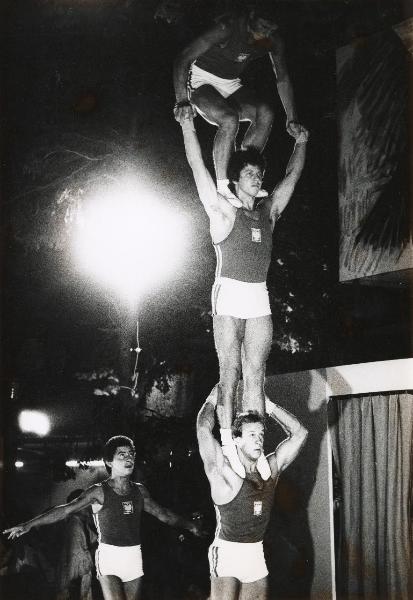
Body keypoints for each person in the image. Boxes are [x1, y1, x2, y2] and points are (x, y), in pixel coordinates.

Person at [177, 113, 308, 477]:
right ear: (235, 179)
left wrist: (301, 143)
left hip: (257, 295)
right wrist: (188, 126)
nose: (257, 177)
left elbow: (291, 177)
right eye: (250, 173)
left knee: (256, 374)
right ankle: (229, 445)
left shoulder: (269, 212)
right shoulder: (222, 210)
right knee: (230, 372)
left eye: (259, 173)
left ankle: (255, 450)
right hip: (229, 294)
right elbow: (196, 166)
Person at [3, 435, 203, 600]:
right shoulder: (99, 491)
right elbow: (66, 510)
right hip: (109, 557)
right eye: (122, 455)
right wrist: (28, 524)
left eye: (131, 454)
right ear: (109, 461)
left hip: (134, 556)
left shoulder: (140, 492)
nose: (128, 458)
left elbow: (163, 514)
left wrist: (190, 526)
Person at [173, 3, 300, 200]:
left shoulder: (271, 40)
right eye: (262, 26)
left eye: (269, 29)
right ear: (251, 16)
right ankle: (223, 187)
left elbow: (282, 78)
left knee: (265, 113)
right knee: (229, 119)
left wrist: (291, 117)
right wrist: (181, 100)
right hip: (201, 79)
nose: (264, 33)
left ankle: (241, 176)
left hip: (230, 83)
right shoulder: (228, 28)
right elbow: (183, 58)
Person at [196, 385, 308, 600]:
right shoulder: (225, 471)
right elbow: (203, 431)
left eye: (261, 435)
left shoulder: (269, 472)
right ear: (237, 439)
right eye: (251, 434)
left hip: (255, 554)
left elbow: (300, 433)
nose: (258, 439)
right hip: (227, 552)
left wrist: (269, 406)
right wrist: (210, 402)